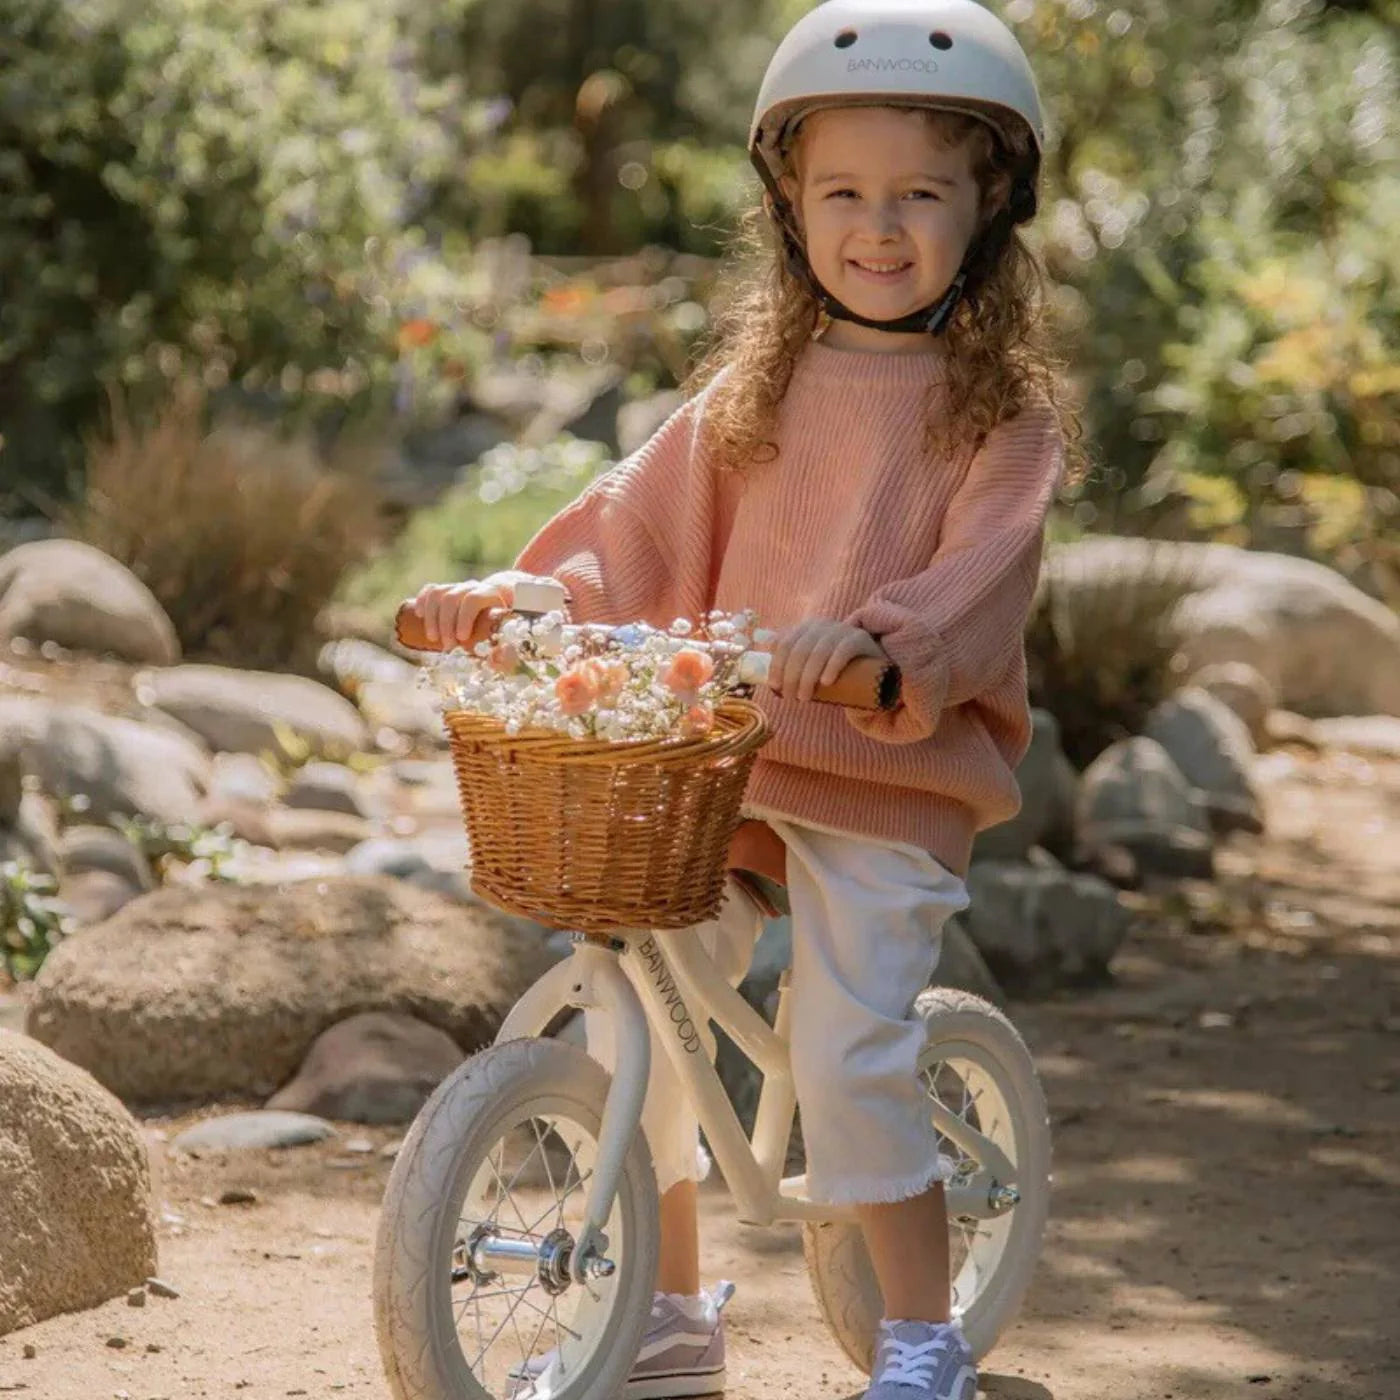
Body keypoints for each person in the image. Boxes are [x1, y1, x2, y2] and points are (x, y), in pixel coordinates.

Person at [411, 2, 1075, 1396]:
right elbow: (626, 533)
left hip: (891, 782)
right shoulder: (753, 388)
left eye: (918, 194)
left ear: (989, 203)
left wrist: (887, 649)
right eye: (842, 192)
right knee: (633, 1013)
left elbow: (981, 574)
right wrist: (516, 599)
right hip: (731, 768)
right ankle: (661, 1312)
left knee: (845, 1056)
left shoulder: (1000, 414)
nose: (876, 226)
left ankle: (920, 1335)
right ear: (789, 202)